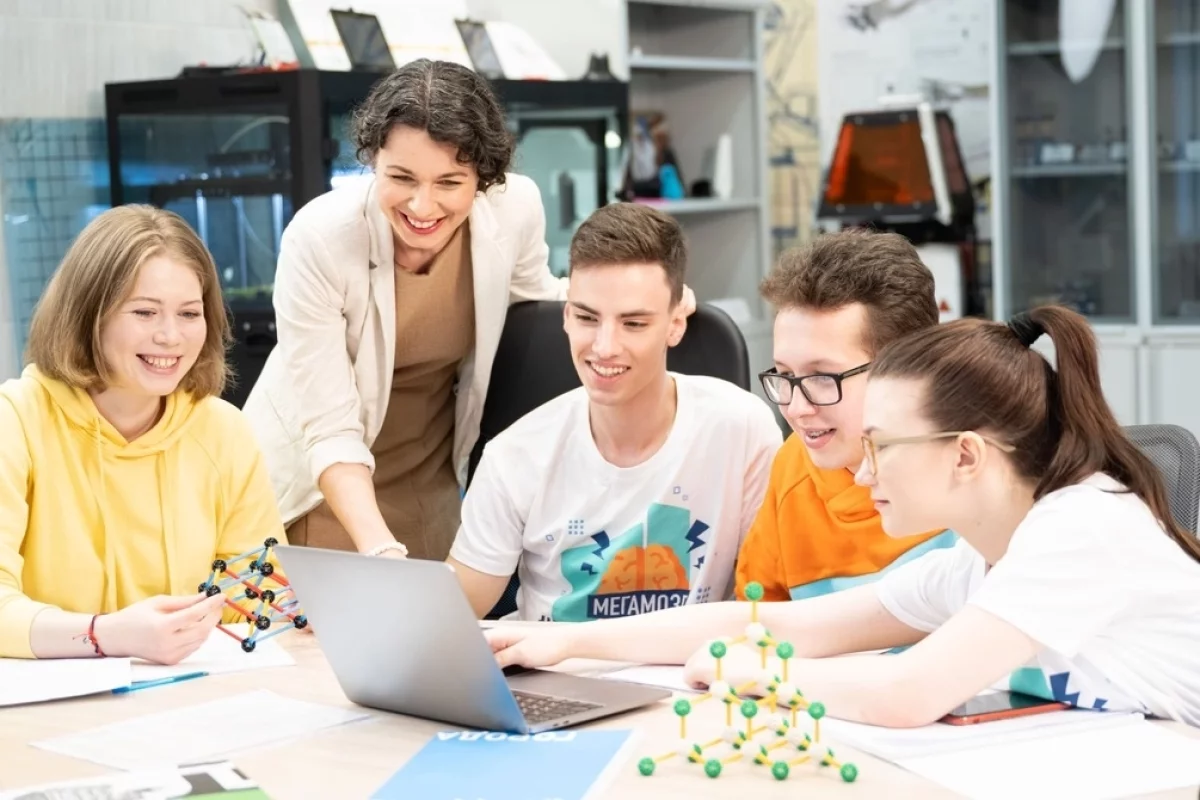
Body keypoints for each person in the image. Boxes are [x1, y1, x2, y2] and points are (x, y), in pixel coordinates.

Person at [486, 305, 1200, 727]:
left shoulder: (1078, 529)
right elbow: (782, 624)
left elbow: (908, 694)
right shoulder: (977, 560)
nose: (862, 471)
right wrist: (569, 641)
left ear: (966, 455)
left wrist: (750, 673)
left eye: (882, 446)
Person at [242, 59, 695, 563]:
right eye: (401, 177)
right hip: (324, 488)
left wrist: (653, 301)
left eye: (449, 183)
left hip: (433, 482)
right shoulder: (321, 239)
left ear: (482, 178)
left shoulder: (513, 207)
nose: (422, 206)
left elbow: (537, 297)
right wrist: (379, 549)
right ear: (372, 162)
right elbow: (330, 430)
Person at [448, 202, 781, 620]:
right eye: (587, 318)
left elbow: (767, 600)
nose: (604, 347)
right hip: (554, 660)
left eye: (634, 324)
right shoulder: (513, 455)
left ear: (675, 324)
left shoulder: (743, 429)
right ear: (566, 316)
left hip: (689, 660)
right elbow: (453, 617)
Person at [0, 205, 287, 663]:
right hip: (52, 697)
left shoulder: (224, 431)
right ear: (89, 315)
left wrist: (299, 608)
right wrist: (105, 635)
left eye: (189, 313)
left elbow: (256, 598)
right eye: (145, 312)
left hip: (192, 692)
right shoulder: (15, 420)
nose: (171, 336)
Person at [735, 228, 957, 601]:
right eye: (785, 375)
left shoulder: (977, 473)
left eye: (823, 378)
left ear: (910, 369)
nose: (797, 409)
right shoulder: (794, 466)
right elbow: (757, 616)